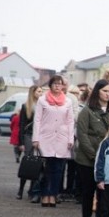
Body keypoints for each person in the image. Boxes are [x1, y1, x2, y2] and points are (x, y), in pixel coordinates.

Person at [75, 79, 109, 217]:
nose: (107, 94)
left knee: (104, 194)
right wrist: (94, 155)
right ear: (97, 91)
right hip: (88, 159)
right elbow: (82, 134)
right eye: (104, 91)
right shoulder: (87, 111)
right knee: (88, 192)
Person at [33, 75, 76, 208]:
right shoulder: (42, 100)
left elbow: (70, 121)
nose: (58, 86)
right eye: (55, 84)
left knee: (58, 170)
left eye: (60, 84)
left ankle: (53, 195)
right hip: (46, 137)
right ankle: (45, 195)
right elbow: (37, 119)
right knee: (46, 169)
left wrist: (70, 138)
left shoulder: (67, 101)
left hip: (62, 139)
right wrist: (35, 138)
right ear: (50, 85)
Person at [15, 85, 44, 201]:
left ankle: (32, 190)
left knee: (37, 163)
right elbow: (21, 125)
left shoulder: (44, 105)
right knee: (28, 162)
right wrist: (20, 142)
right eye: (39, 91)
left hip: (40, 136)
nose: (41, 93)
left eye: (42, 91)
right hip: (28, 135)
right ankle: (21, 189)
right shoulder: (26, 106)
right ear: (33, 92)